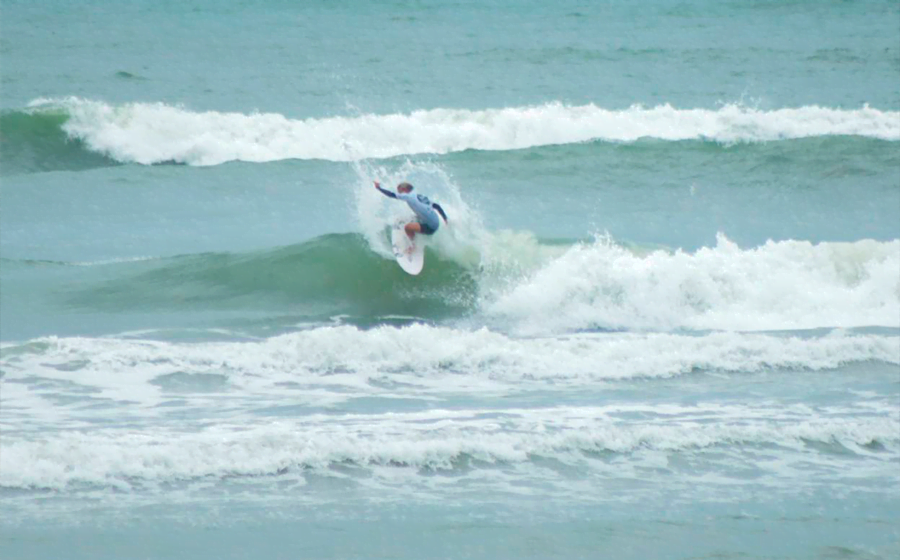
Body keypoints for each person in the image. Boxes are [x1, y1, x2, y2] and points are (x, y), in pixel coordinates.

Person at [374, 181, 449, 241]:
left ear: (404, 189)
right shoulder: (419, 196)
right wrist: (445, 218)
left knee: (407, 227)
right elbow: (437, 206)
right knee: (410, 218)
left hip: (431, 227)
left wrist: (379, 188)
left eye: (399, 191)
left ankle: (412, 245)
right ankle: (415, 230)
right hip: (436, 222)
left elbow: (391, 195)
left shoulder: (409, 196)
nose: (399, 193)